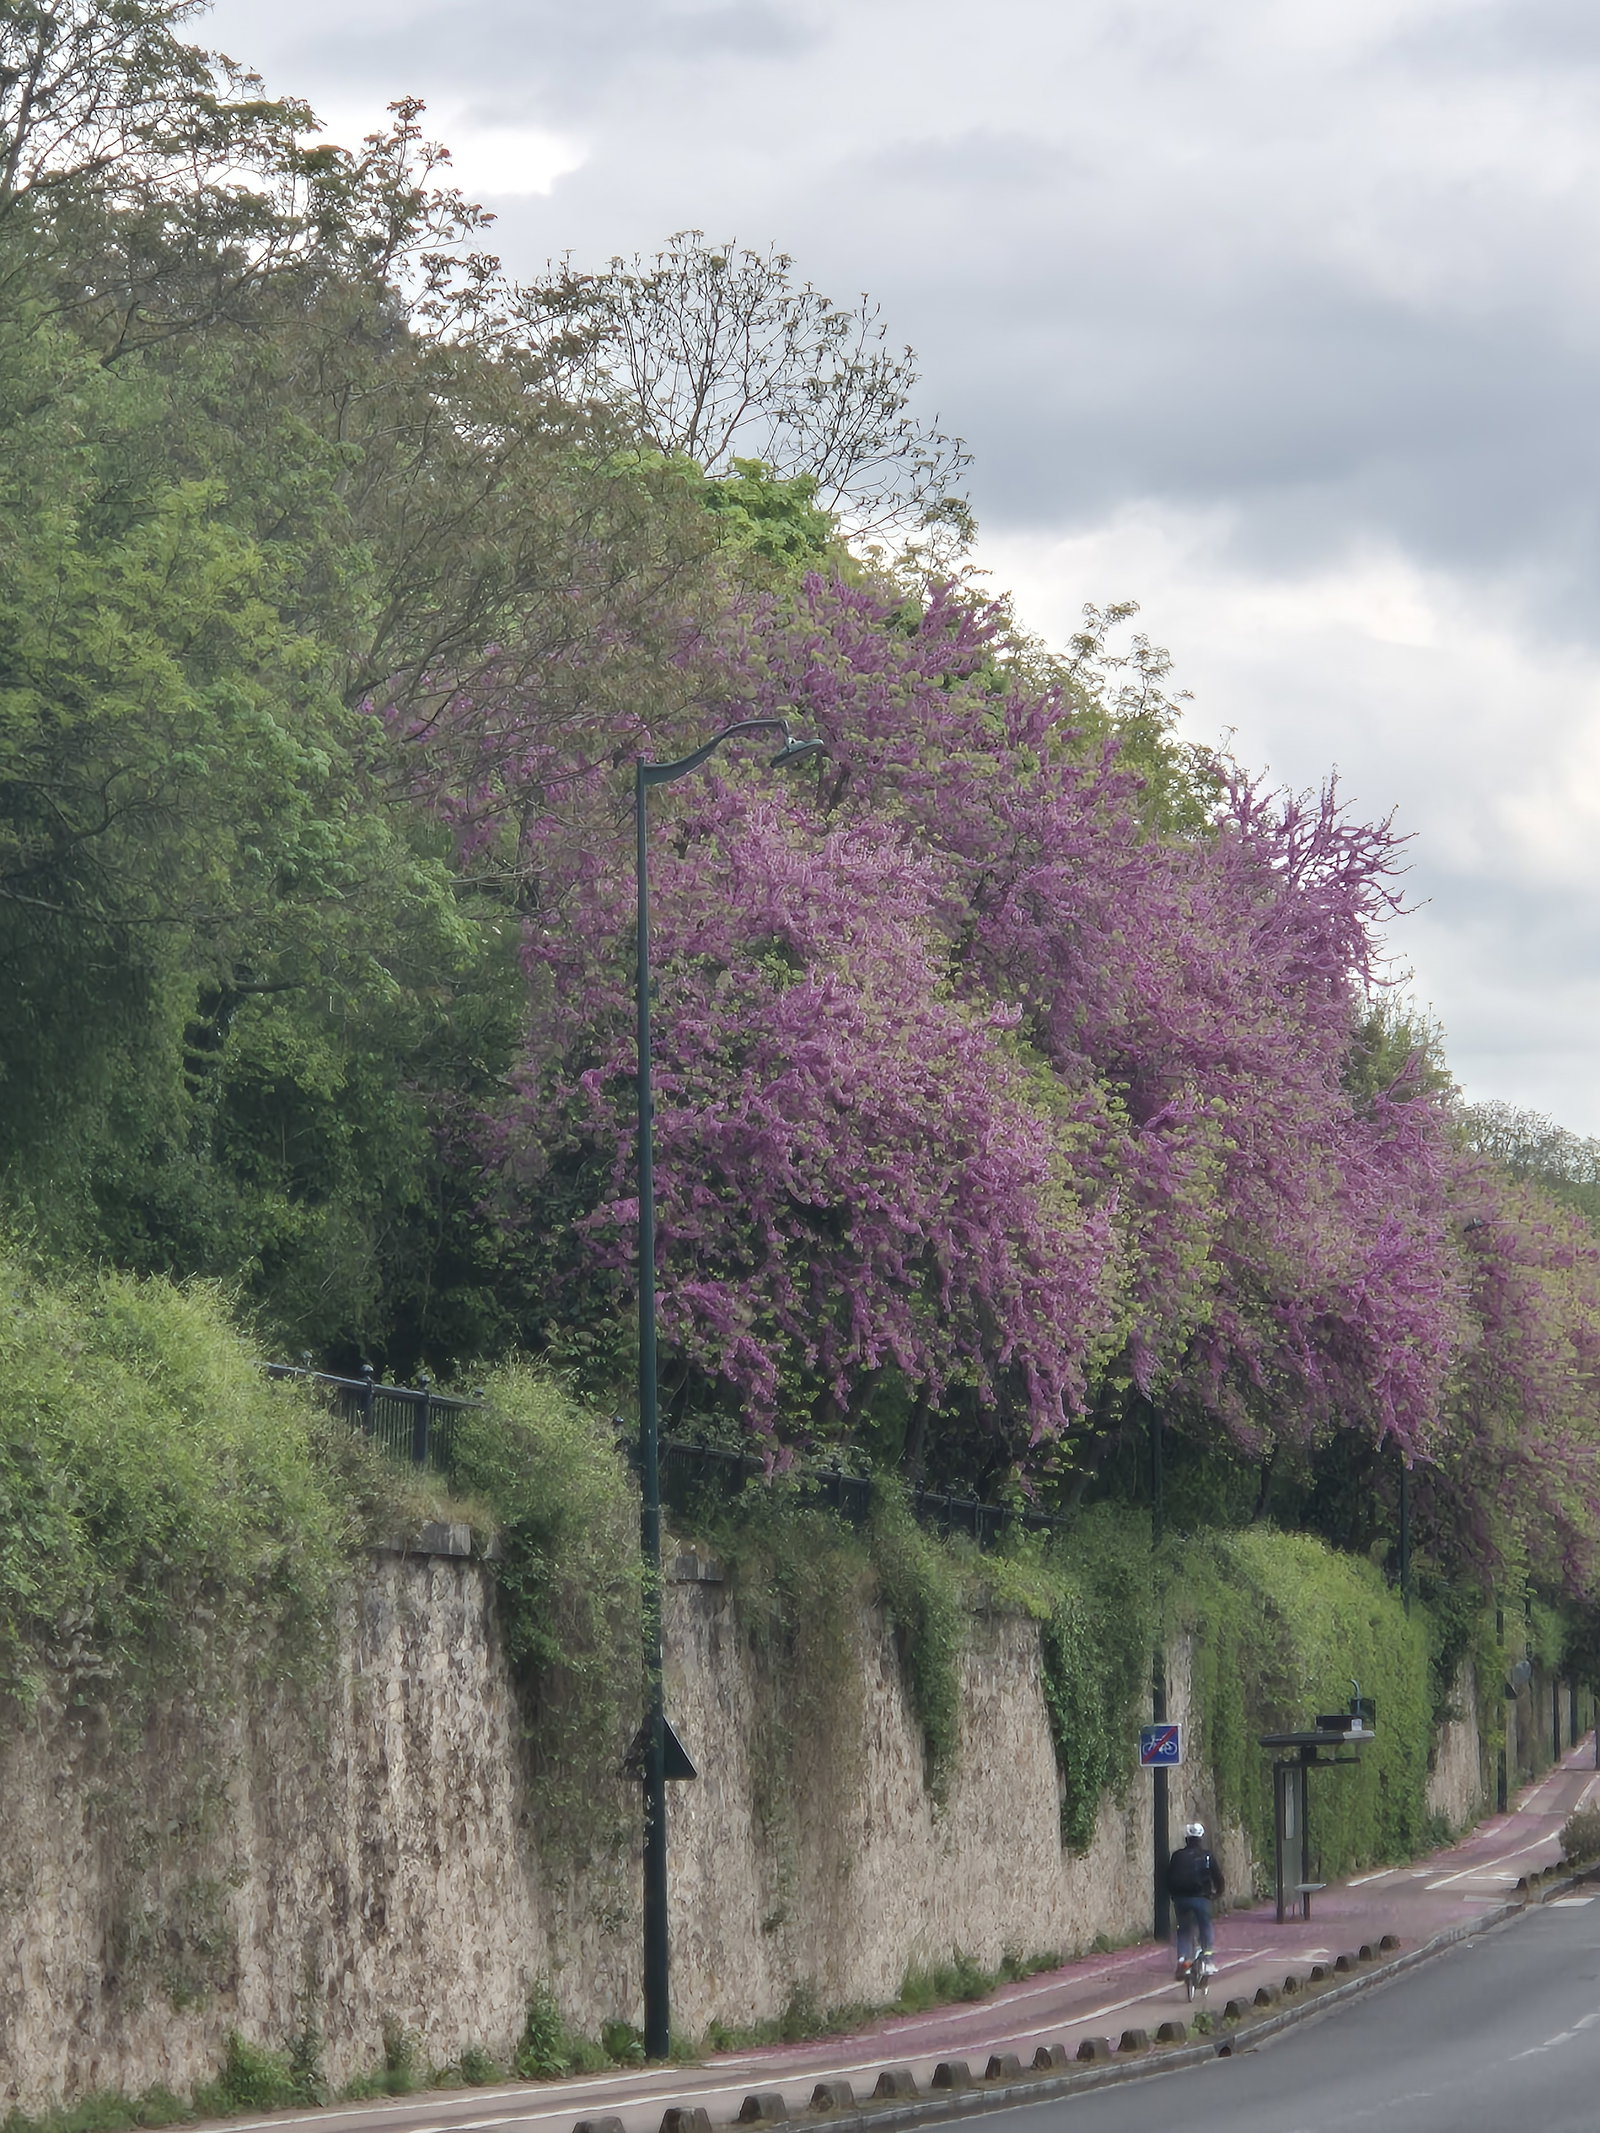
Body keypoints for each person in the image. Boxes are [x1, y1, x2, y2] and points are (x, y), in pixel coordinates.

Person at [1167, 1821, 1224, 1976]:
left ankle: (1182, 1960)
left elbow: (1169, 1877)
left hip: (1181, 1899)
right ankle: (1207, 1959)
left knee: (1184, 1930)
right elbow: (1217, 1878)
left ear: (1186, 1839)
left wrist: (1174, 1896)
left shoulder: (1177, 1856)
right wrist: (1217, 1893)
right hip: (1201, 1898)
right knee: (1205, 1926)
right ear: (1200, 1839)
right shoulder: (1207, 1856)